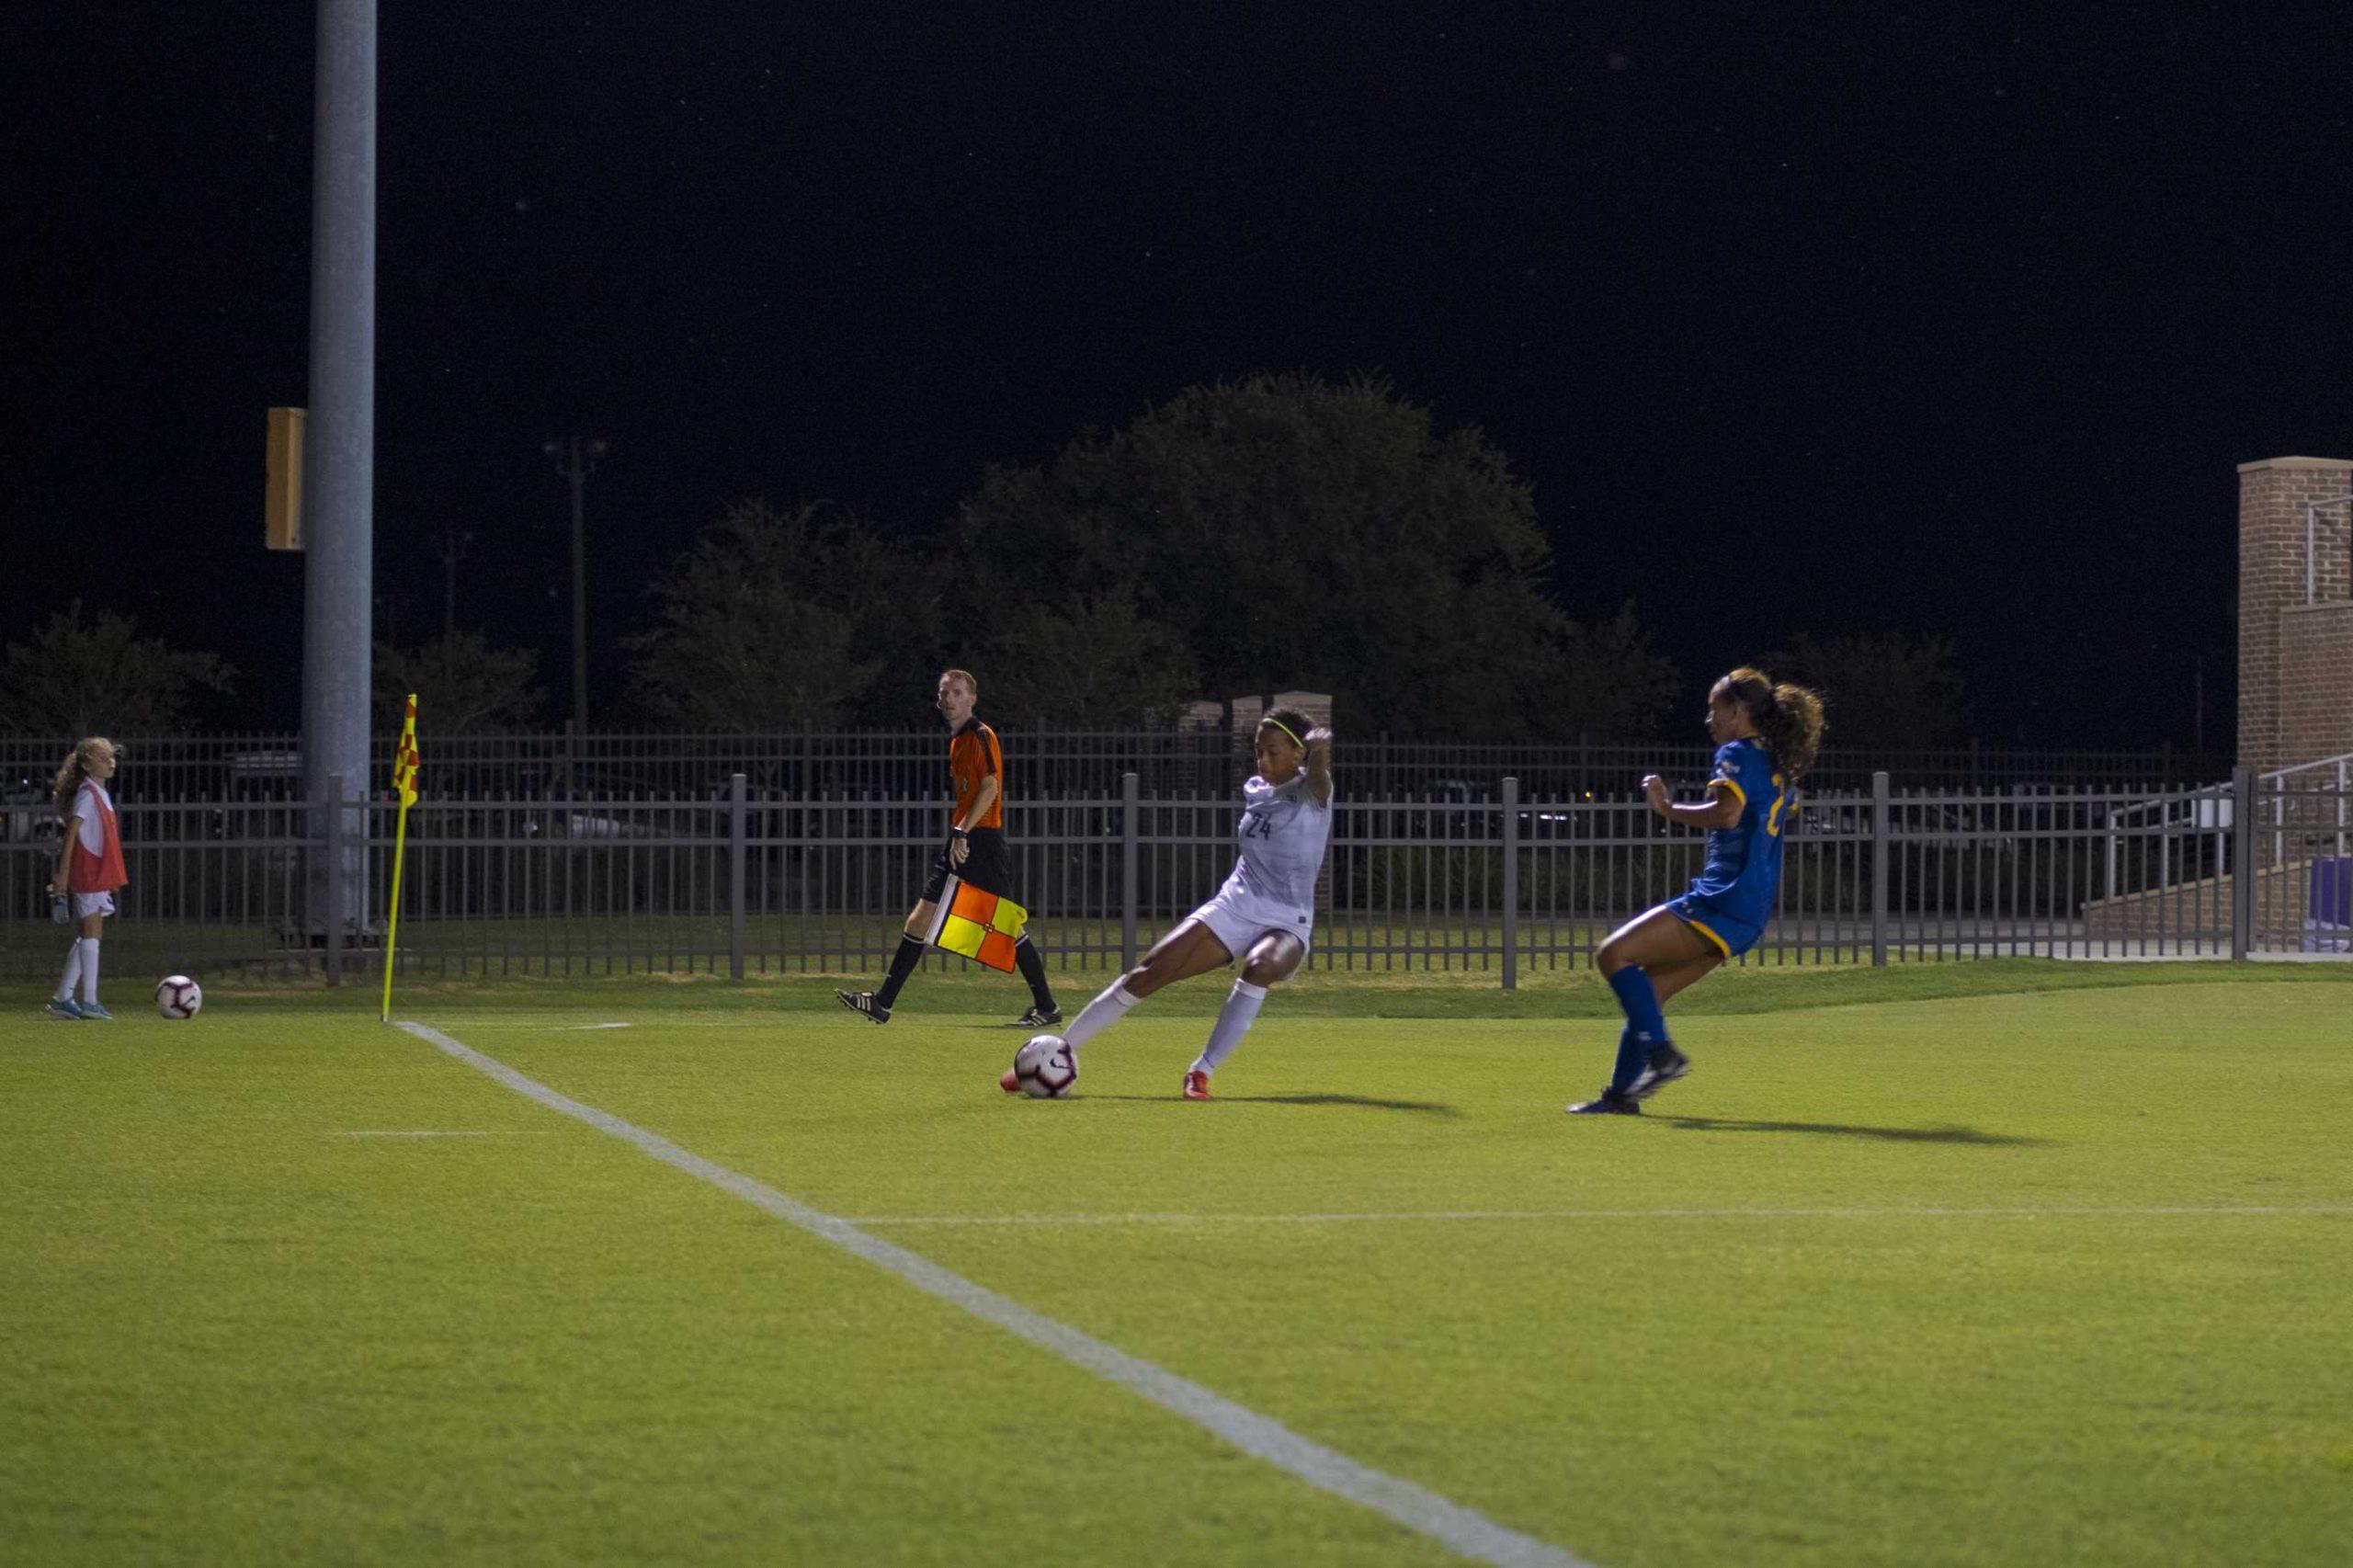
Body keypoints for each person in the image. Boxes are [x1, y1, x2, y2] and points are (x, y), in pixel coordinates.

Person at [1010, 707, 1333, 1100]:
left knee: (1259, 966)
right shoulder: (1255, 789)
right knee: (1148, 973)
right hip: (1236, 905)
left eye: (1273, 751)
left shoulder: (1314, 795)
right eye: (1258, 750)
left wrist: (1319, 751)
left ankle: (1201, 1071)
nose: (1263, 760)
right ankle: (1056, 1054)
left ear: (1298, 754)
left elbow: (1319, 779)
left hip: (1287, 919)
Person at [1567, 668, 1824, 1115]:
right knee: (1648, 992)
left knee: (1612, 955)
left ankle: (1662, 1055)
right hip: (1751, 912)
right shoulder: (1777, 763)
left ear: (1739, 711)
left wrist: (1666, 808)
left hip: (1722, 897)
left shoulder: (1737, 753)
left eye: (1714, 709)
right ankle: (1622, 1097)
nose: (1709, 719)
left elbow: (1726, 815)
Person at [837, 668, 1061, 1026]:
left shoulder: (980, 735)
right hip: (964, 838)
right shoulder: (957, 741)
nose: (949, 699)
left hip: (980, 841)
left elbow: (990, 788)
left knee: (1007, 926)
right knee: (920, 918)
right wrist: (959, 833)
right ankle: (881, 1003)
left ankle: (1048, 1008)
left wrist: (961, 831)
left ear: (972, 699)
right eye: (944, 693)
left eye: (957, 692)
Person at [44, 737, 129, 1021]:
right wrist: (63, 873)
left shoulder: (98, 793)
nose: (110, 761)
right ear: (85, 764)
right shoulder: (87, 794)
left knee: (89, 933)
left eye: (111, 757)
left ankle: (63, 998)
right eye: (103, 757)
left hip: (95, 868)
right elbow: (71, 834)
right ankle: (90, 1002)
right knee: (92, 932)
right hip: (88, 868)